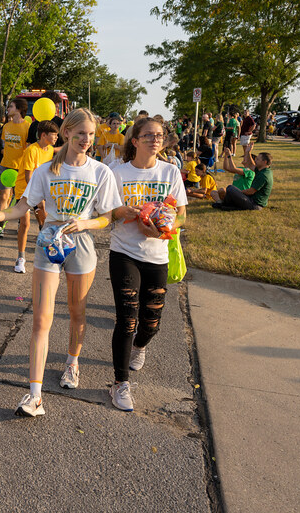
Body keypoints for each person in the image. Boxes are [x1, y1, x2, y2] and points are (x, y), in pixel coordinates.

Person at [0, 109, 121, 417]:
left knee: (77, 313)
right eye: (80, 134)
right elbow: (21, 207)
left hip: (82, 244)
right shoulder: (46, 170)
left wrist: (86, 224)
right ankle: (34, 395)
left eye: (90, 135)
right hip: (49, 241)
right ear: (66, 133)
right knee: (41, 319)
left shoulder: (100, 172)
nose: (86, 140)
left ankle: (72, 362)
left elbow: (108, 217)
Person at [108, 116, 187, 411]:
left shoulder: (170, 172)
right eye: (149, 135)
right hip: (124, 252)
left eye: (159, 135)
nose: (155, 139)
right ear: (135, 140)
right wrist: (124, 212)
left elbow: (180, 215)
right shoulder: (117, 172)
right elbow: (107, 210)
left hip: (157, 254)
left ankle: (140, 347)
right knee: (126, 319)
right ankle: (120, 383)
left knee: (151, 324)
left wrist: (164, 228)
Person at [10, 121, 57, 273]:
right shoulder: (31, 150)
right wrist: (40, 196)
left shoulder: (49, 149)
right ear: (44, 135)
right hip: (25, 190)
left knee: (44, 222)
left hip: (39, 191)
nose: (56, 137)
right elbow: (29, 176)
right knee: (25, 224)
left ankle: (48, 251)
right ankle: (21, 257)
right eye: (54, 135)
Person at [0, 97, 30, 237]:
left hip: (20, 169)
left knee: (20, 200)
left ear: (18, 109)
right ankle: (0, 227)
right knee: (4, 197)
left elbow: (28, 149)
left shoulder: (27, 127)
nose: (8, 109)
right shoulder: (6, 126)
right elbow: (5, 146)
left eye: (11, 106)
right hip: (5, 166)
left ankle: (21, 224)